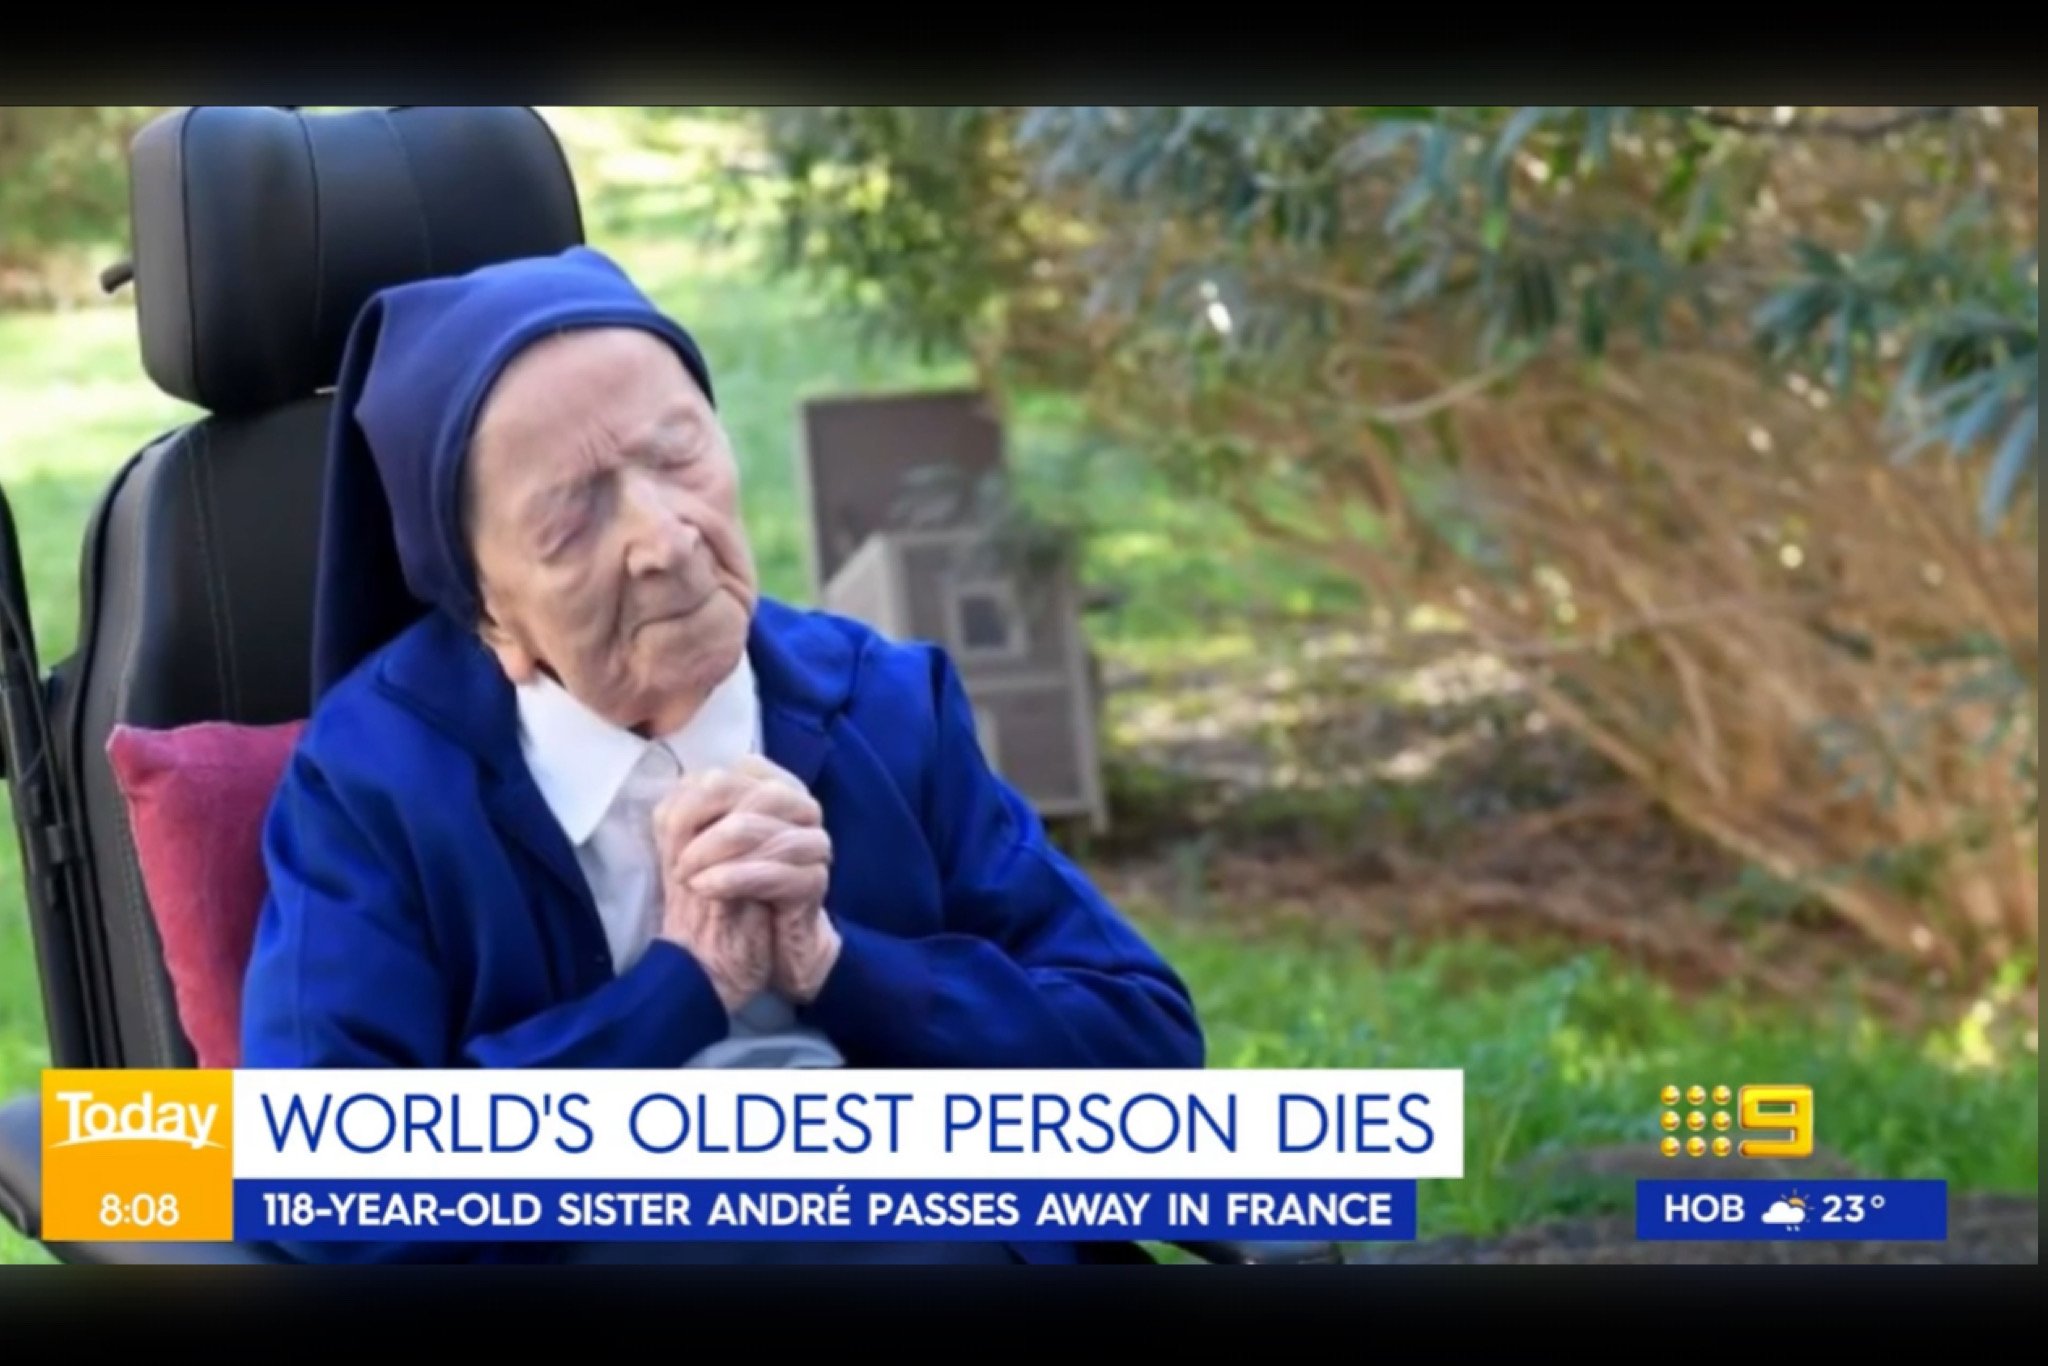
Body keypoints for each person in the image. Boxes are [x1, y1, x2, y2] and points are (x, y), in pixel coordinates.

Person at [236, 245, 1205, 1265]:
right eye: (572, 519)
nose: (666, 539)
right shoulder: (375, 785)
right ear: (489, 614)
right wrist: (678, 986)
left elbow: (1143, 1062)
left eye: (679, 454)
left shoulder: (882, 704)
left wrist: (839, 966)